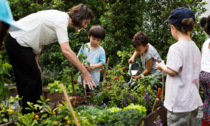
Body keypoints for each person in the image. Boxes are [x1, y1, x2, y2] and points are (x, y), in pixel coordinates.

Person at [4, 4, 96, 114]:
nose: (85, 26)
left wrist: (36, 61)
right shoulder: (61, 21)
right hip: (17, 40)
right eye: (85, 22)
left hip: (22, 42)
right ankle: (31, 115)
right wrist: (84, 72)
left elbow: (42, 40)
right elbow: (66, 50)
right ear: (79, 17)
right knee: (32, 79)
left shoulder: (61, 19)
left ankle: (31, 114)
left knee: (32, 77)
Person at [156, 7, 203, 126]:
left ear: (174, 28)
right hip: (192, 102)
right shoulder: (195, 47)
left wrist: (162, 66)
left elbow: (172, 71)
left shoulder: (176, 48)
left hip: (179, 104)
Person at [77, 25, 106, 92]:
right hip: (83, 78)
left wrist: (94, 66)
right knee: (81, 96)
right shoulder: (84, 47)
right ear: (89, 36)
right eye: (94, 39)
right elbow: (78, 59)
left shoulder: (101, 50)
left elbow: (102, 62)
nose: (95, 41)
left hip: (94, 79)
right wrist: (83, 66)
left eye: (98, 40)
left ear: (101, 40)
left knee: (93, 97)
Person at [199, 15, 210, 126]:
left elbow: (201, 60)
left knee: (207, 101)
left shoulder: (206, 42)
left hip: (203, 75)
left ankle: (206, 122)